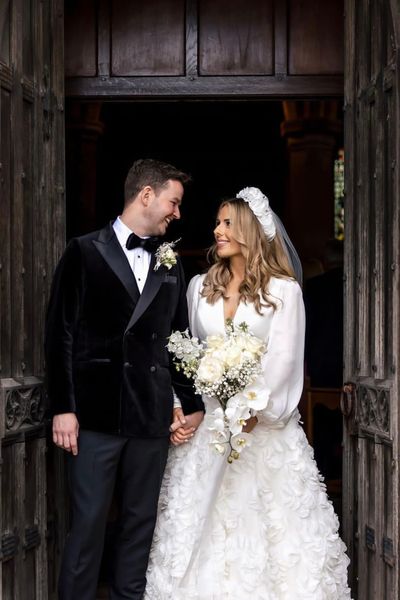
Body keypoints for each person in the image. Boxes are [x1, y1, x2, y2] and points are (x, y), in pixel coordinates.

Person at [145, 187, 352, 599]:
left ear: (250, 232)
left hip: (262, 432)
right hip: (206, 432)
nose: (216, 230)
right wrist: (181, 407)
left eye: (226, 223)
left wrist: (253, 412)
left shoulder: (283, 292)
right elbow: (187, 355)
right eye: (218, 222)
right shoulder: (199, 287)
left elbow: (285, 363)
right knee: (198, 530)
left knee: (269, 537)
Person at [45, 158, 205, 600]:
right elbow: (60, 334)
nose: (178, 213)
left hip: (150, 416)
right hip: (94, 417)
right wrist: (64, 407)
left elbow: (179, 339)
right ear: (147, 195)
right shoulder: (83, 250)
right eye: (174, 202)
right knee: (89, 523)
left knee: (140, 525)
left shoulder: (170, 261)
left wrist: (189, 403)